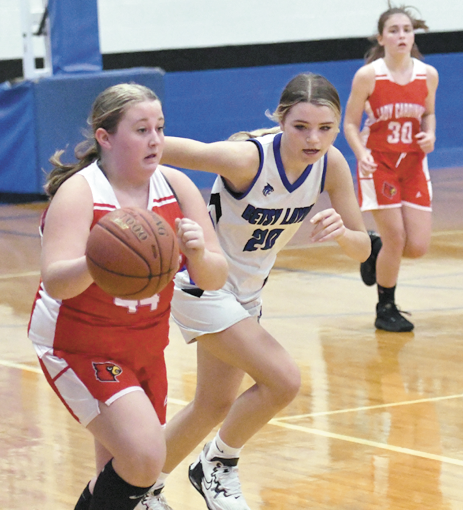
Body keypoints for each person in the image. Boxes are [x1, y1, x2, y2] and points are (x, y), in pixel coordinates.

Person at [134, 72, 370, 510]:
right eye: (301, 126)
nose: (313, 139)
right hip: (201, 282)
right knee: (284, 380)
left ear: (337, 128)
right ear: (281, 120)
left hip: (246, 295)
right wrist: (108, 150)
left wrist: (342, 233)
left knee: (212, 405)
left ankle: (140, 489)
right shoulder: (249, 160)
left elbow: (361, 248)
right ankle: (217, 464)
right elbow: (182, 150)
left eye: (325, 128)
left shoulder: (332, 165)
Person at [27, 83, 228, 510]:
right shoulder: (81, 193)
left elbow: (214, 276)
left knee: (122, 471)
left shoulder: (176, 186)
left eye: (159, 127)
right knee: (144, 458)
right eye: (141, 129)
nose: (155, 139)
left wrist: (196, 253)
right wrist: (99, 259)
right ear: (106, 137)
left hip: (144, 344)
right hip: (78, 343)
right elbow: (57, 281)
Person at [343, 0, 439, 332]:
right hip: (378, 162)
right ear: (381, 38)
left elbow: (428, 113)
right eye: (394, 30)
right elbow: (351, 124)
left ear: (414, 36)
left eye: (407, 30)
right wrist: (361, 153)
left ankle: (375, 248)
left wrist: (430, 134)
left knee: (417, 247)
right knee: (397, 237)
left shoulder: (428, 75)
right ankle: (386, 307)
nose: (402, 35)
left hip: (413, 163)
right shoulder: (368, 76)